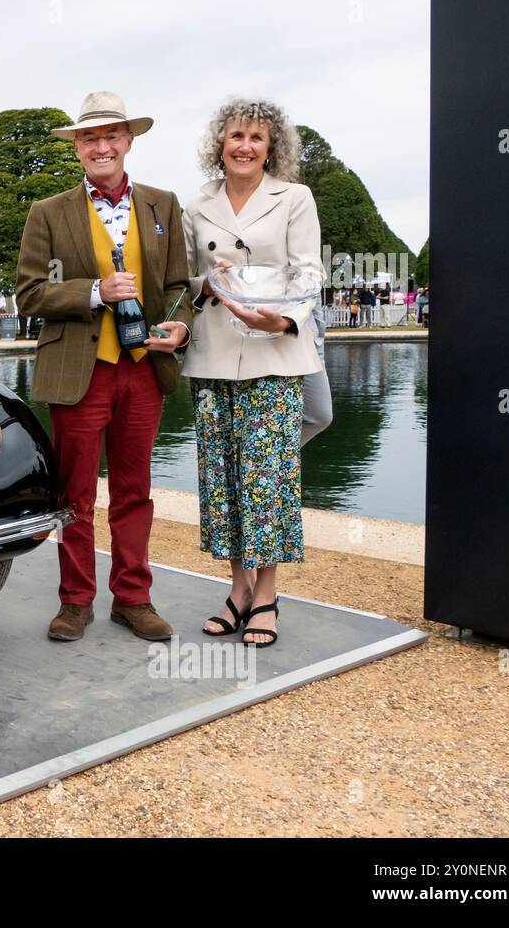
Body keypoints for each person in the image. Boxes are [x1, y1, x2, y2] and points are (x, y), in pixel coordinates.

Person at [14, 91, 193, 643]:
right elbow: (28, 294)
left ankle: (133, 599)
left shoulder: (163, 205)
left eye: (111, 135)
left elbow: (183, 287)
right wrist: (93, 291)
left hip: (143, 369)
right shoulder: (47, 212)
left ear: (129, 141)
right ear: (76, 149)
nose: (101, 146)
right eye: (90, 137)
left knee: (135, 489)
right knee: (75, 494)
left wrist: (181, 326)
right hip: (78, 369)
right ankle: (75, 600)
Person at [182, 99, 325, 647]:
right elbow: (185, 282)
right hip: (214, 354)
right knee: (223, 479)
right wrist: (206, 281)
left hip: (273, 351)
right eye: (236, 135)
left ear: (273, 148)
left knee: (267, 480)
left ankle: (266, 597)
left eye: (257, 138)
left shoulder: (296, 198)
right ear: (220, 142)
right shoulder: (196, 206)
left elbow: (308, 271)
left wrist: (280, 319)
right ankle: (237, 589)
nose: (244, 146)